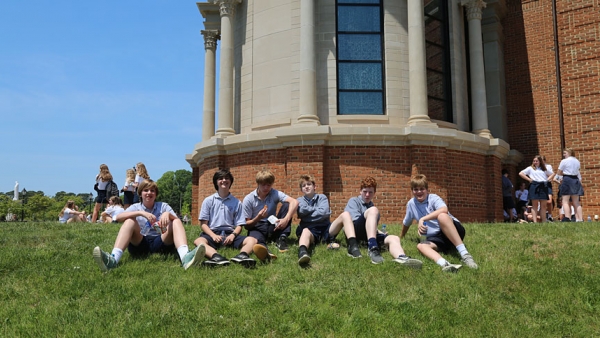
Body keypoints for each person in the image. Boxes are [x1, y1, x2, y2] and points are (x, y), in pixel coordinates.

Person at [92, 179, 204, 272]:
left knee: (175, 221)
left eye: (152, 191)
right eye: (146, 190)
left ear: (156, 194)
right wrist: (141, 213)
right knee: (129, 221)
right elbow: (118, 218)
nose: (149, 193)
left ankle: (185, 257)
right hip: (140, 243)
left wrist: (167, 214)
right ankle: (113, 260)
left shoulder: (163, 206)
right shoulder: (135, 207)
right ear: (140, 193)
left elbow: (177, 222)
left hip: (161, 241)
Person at [331, 176, 422, 267]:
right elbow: (354, 223)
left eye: (370, 192)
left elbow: (369, 226)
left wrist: (379, 232)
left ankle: (402, 258)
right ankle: (373, 249)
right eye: (365, 192)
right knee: (373, 210)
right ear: (360, 191)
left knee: (393, 238)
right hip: (355, 233)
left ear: (374, 193)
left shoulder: (371, 204)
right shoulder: (354, 201)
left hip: (367, 237)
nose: (367, 195)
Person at [400, 174, 478, 272]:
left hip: (453, 230)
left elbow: (444, 209)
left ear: (427, 189)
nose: (419, 192)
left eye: (422, 188)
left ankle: (465, 255)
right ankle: (445, 264)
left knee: (442, 216)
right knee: (421, 245)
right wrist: (402, 237)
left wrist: (422, 219)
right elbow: (406, 222)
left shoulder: (433, 198)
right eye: (415, 189)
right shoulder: (411, 204)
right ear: (412, 191)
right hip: (437, 238)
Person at [193, 169, 257, 268]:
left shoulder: (237, 202)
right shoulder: (208, 201)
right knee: (198, 241)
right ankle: (216, 257)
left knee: (252, 240)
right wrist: (213, 235)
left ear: (230, 182)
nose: (224, 180)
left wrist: (233, 235)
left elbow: (240, 225)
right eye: (220, 178)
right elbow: (203, 224)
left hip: (229, 235)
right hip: (212, 234)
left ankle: (242, 256)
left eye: (227, 178)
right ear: (216, 182)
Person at [243, 170, 299, 262]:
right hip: (257, 226)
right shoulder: (249, 199)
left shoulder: (274, 193)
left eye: (268, 185)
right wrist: (258, 217)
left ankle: (282, 239)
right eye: (263, 184)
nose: (266, 188)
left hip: (272, 225)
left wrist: (286, 219)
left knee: (287, 205)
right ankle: (265, 251)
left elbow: (294, 202)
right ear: (258, 184)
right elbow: (246, 225)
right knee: (255, 237)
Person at [296, 174, 342, 265]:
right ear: (301, 189)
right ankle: (303, 252)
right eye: (303, 186)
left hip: (325, 228)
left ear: (315, 186)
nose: (306, 187)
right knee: (305, 231)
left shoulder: (322, 197)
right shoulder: (299, 200)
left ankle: (352, 244)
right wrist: (317, 211)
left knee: (344, 216)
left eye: (309, 184)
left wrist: (307, 216)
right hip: (310, 230)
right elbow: (301, 211)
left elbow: (324, 213)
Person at [518, 155, 553, 223]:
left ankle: (544, 221)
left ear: (540, 161)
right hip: (534, 186)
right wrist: (529, 180)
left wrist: (547, 180)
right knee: (535, 205)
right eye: (534, 161)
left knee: (543, 205)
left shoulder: (544, 168)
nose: (535, 162)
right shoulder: (530, 168)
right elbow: (521, 173)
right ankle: (535, 221)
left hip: (543, 186)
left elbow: (552, 174)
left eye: (537, 161)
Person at [556, 147, 584, 222]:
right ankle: (580, 219)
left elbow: (559, 172)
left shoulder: (564, 161)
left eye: (565, 153)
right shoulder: (577, 161)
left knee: (565, 201)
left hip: (567, 179)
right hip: (575, 179)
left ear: (569, 153)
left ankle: (568, 218)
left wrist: (564, 173)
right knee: (576, 202)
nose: (564, 155)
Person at [541, 156, 555, 221]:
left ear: (544, 160)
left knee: (549, 201)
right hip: (540, 184)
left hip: (547, 184)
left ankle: (549, 216)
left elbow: (551, 175)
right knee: (542, 201)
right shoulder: (537, 168)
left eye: (542, 160)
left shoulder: (548, 166)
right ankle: (544, 216)